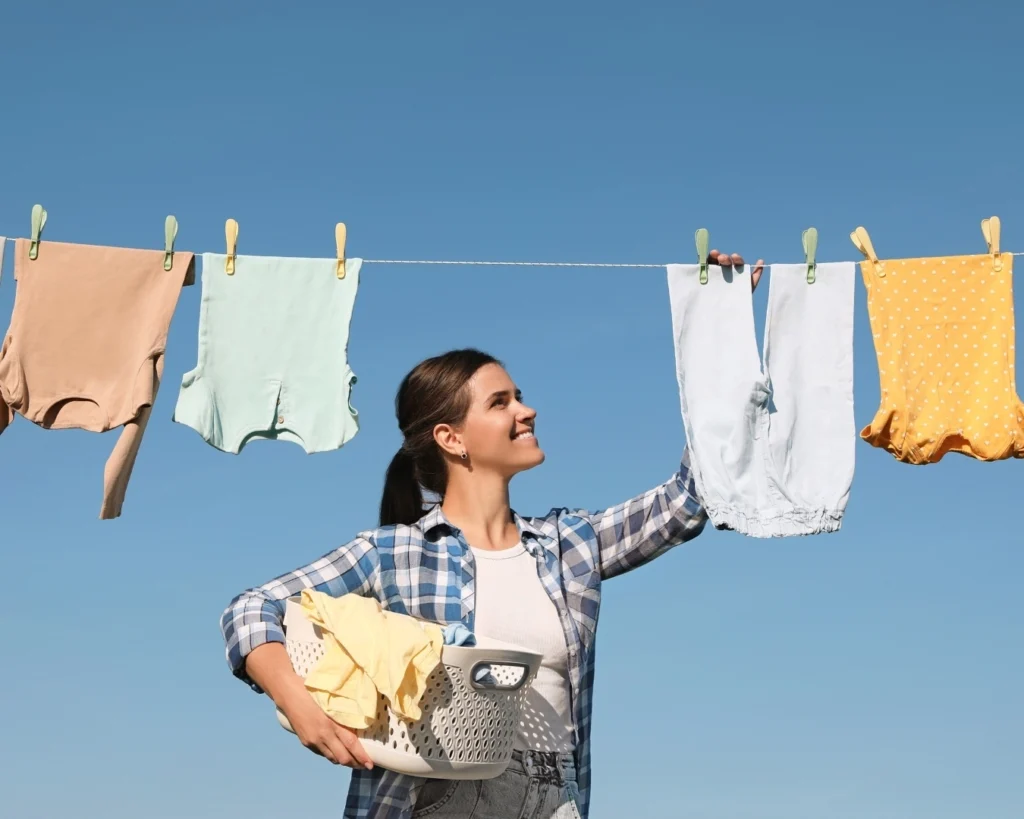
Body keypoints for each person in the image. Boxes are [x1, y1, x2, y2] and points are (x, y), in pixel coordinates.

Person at [220, 251, 764, 819]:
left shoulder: (568, 544)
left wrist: (721, 339)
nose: (527, 411)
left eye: (519, 396)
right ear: (451, 438)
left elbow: (688, 500)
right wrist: (298, 703)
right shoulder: (393, 554)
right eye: (501, 402)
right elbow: (250, 609)